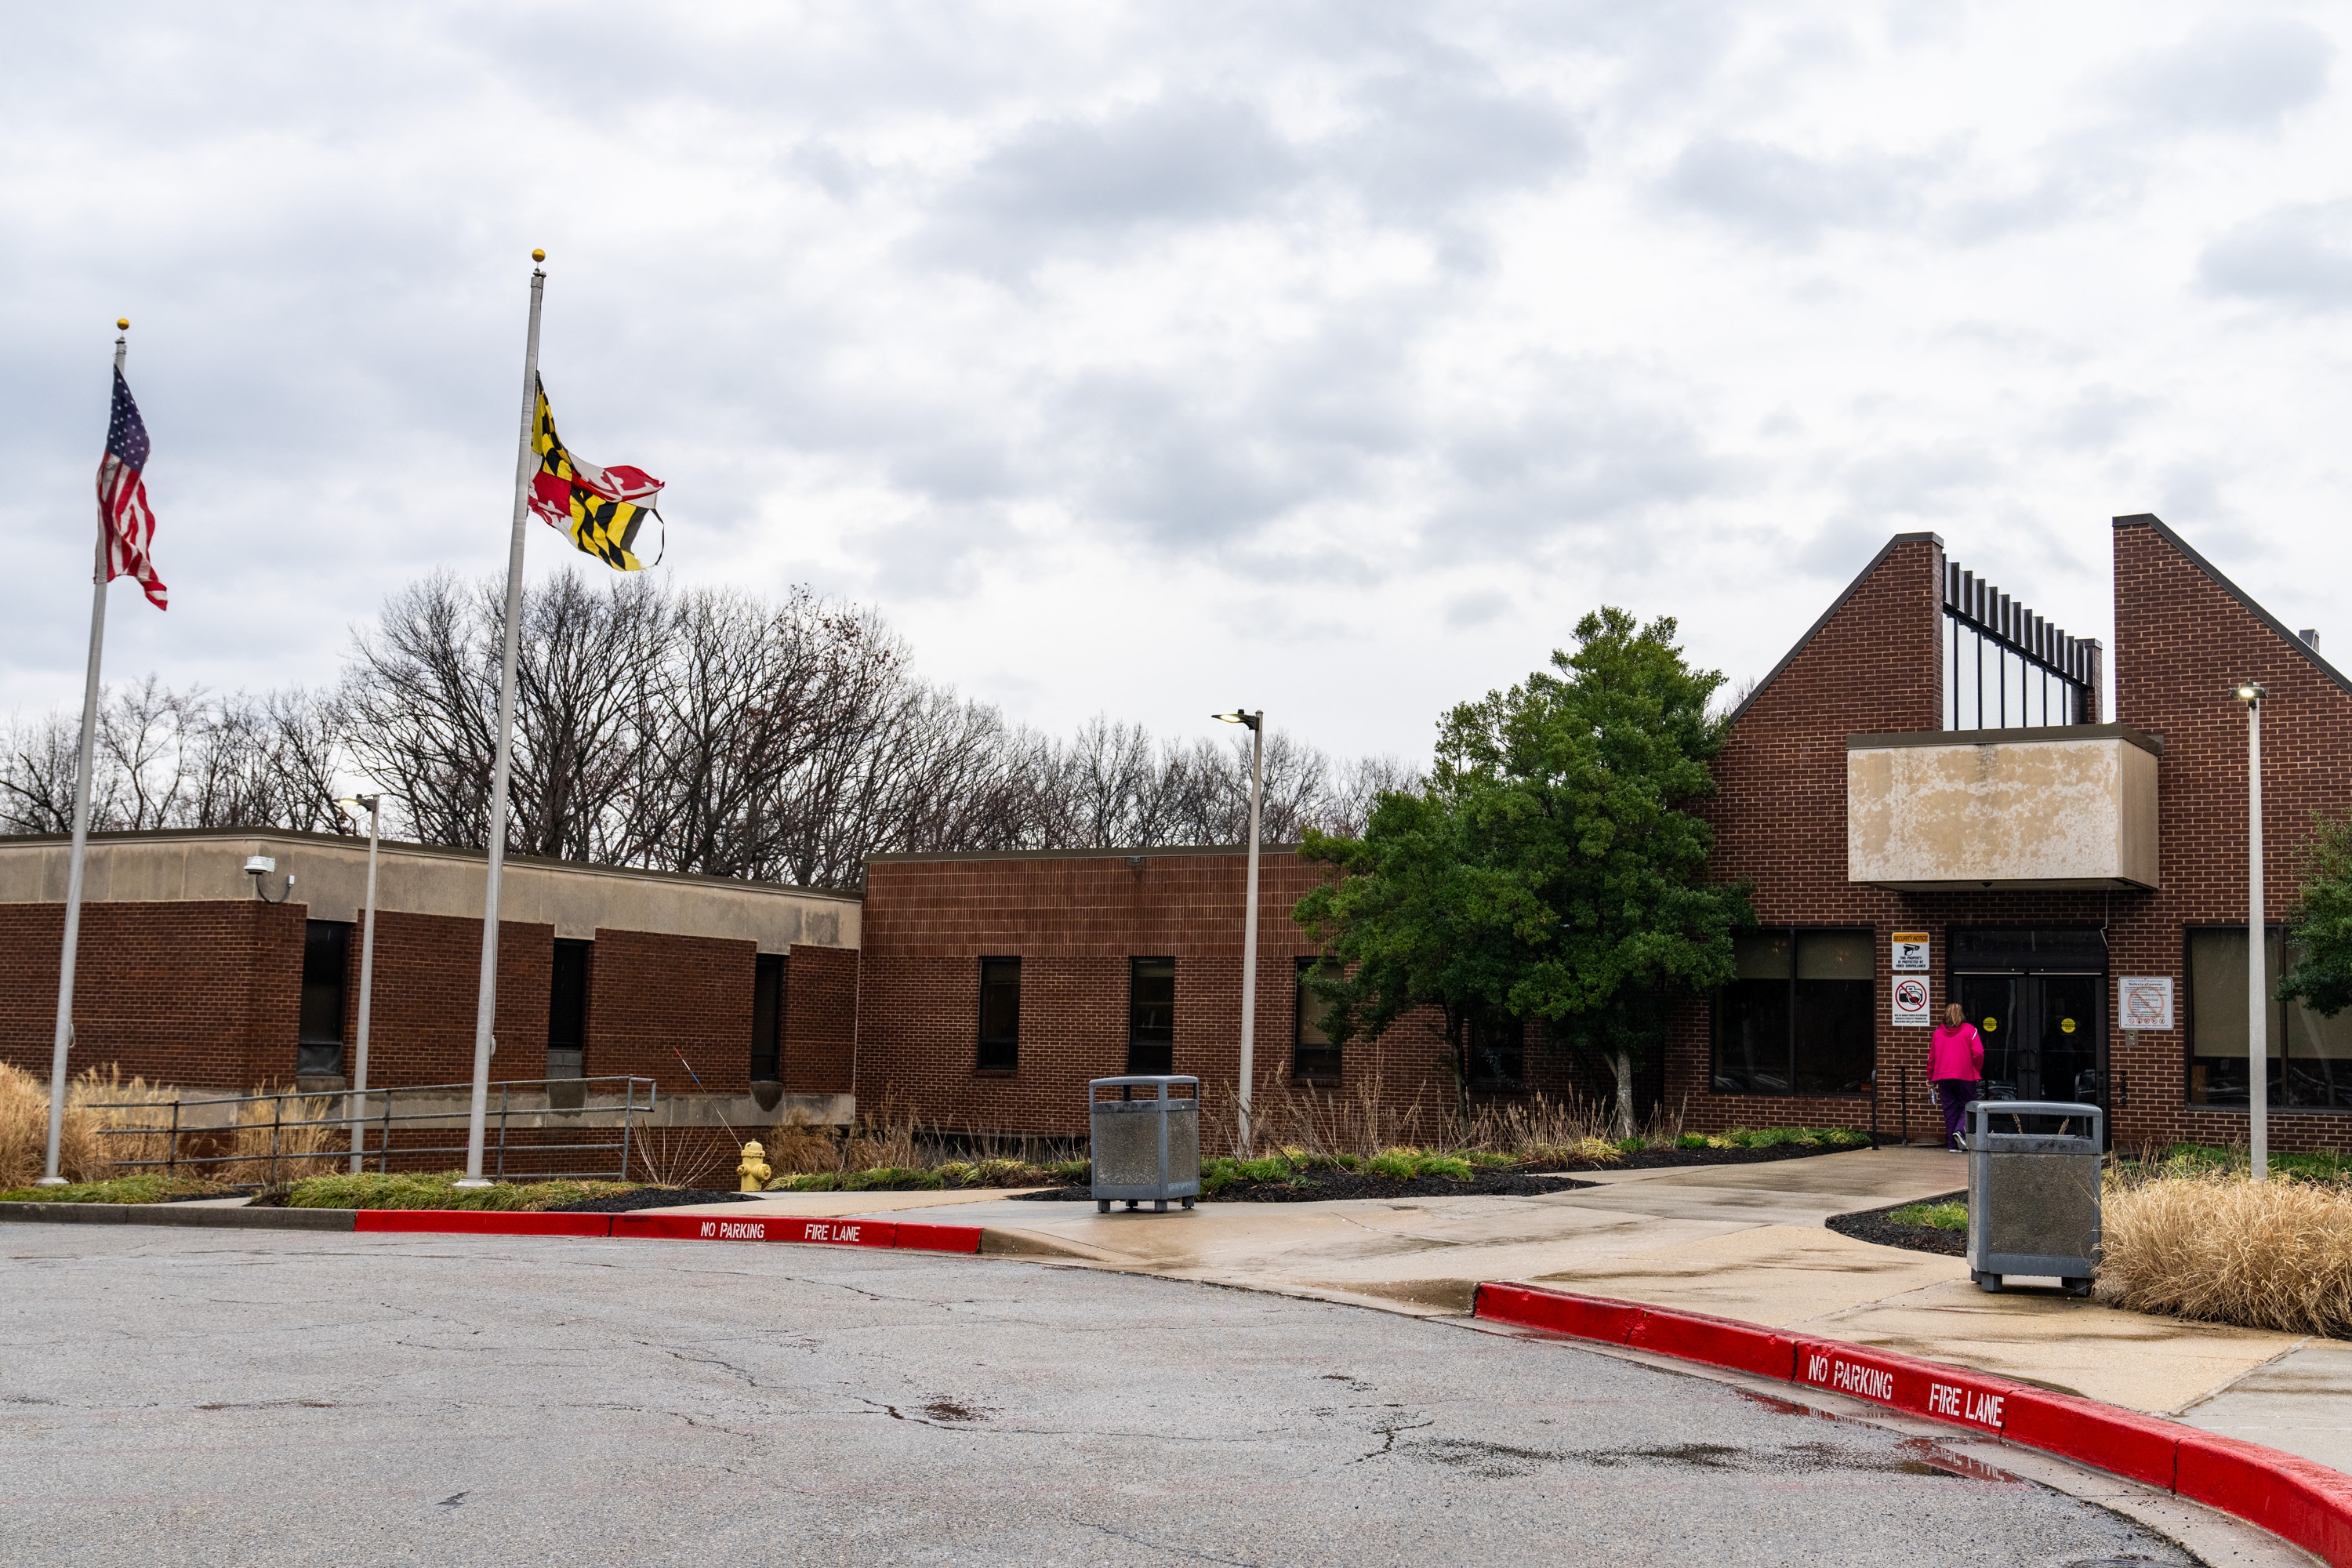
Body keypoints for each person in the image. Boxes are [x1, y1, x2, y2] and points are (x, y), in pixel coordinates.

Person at [1928, 1002, 1984, 1152]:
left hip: (1943, 1078)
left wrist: (1930, 1077)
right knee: (1969, 1106)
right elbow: (1978, 1053)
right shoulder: (1970, 1031)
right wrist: (1975, 1070)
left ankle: (1953, 1145)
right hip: (1965, 1076)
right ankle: (1960, 1132)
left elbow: (1932, 1058)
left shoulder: (1937, 1033)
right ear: (1962, 1015)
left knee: (1950, 1111)